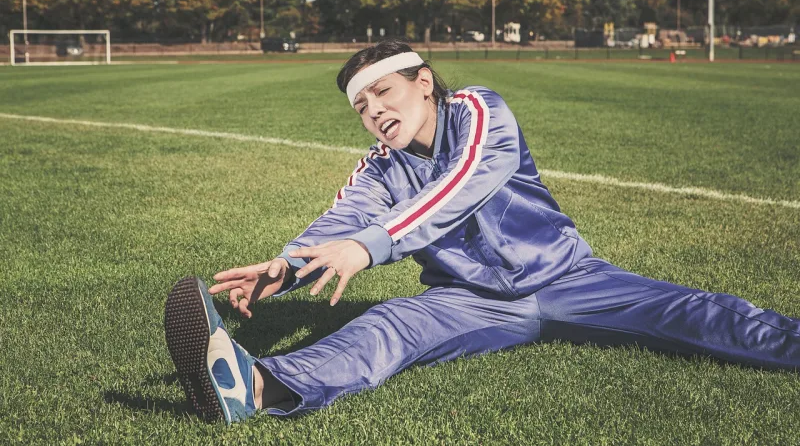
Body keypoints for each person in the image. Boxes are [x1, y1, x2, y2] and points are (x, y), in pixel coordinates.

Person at [164, 39, 800, 425]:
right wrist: (287, 267)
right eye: (361, 106)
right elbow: (343, 221)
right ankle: (253, 386)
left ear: (422, 81)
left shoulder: (477, 110)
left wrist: (370, 245)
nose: (375, 112)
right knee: (385, 328)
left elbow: (465, 182)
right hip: (467, 301)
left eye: (383, 92)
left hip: (570, 278)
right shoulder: (378, 169)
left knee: (694, 313)